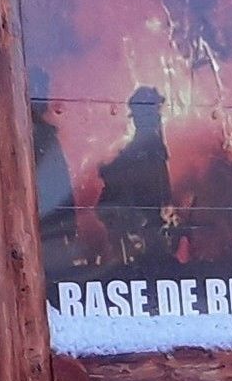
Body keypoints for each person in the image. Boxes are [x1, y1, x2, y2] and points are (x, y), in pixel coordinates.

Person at [95, 85, 173, 265]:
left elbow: (158, 180)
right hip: (139, 217)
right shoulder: (145, 146)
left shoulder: (150, 145)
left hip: (144, 218)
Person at [29, 68, 79, 266]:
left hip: (51, 231)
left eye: (44, 90)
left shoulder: (46, 136)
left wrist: (70, 225)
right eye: (39, 90)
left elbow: (61, 183)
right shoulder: (29, 135)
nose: (45, 98)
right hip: (40, 234)